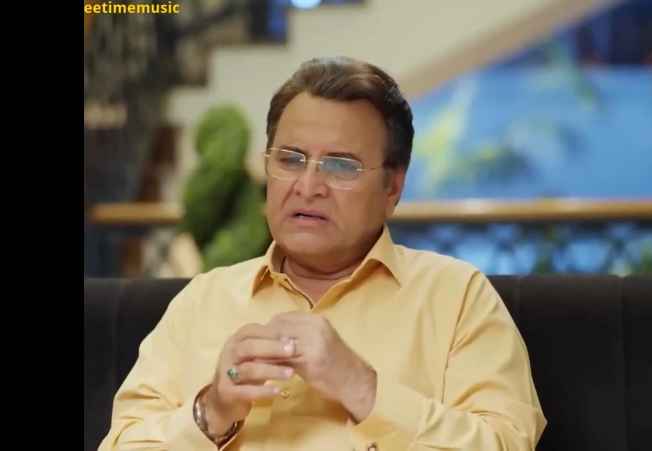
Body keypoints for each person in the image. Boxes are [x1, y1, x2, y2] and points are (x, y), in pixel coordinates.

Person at [99, 56, 546, 451]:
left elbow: (506, 443)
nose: (308, 186)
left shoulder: (457, 297)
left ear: (392, 187)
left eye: (340, 165)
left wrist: (363, 388)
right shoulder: (203, 300)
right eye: (291, 159)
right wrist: (212, 411)